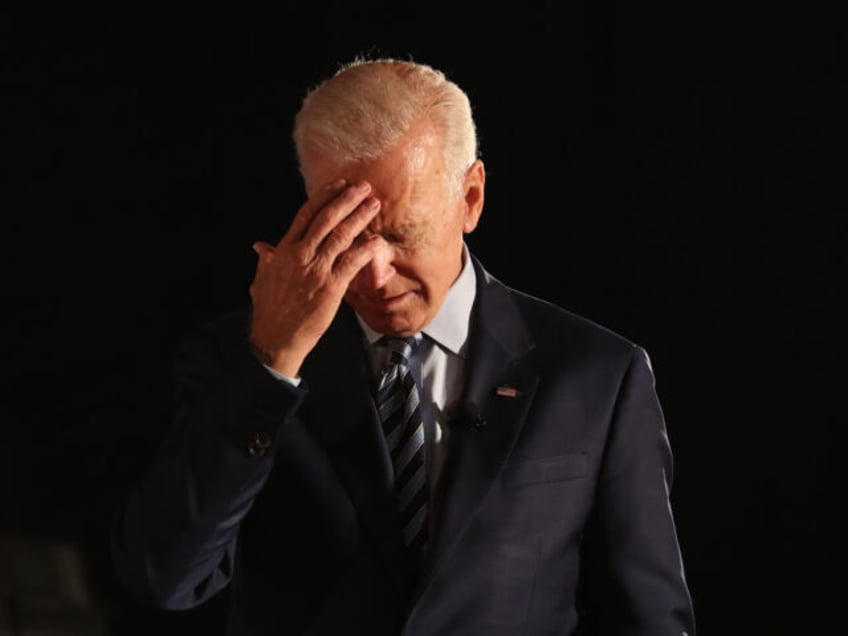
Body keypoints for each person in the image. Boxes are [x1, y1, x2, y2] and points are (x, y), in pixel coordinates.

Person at [111, 57, 696, 635]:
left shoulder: (597, 376)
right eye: (345, 234)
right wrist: (271, 366)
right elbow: (165, 579)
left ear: (470, 198)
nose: (373, 275)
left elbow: (648, 621)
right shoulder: (235, 359)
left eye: (400, 234)